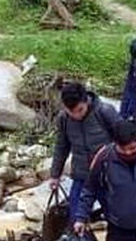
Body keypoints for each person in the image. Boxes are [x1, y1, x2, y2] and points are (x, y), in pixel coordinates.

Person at [48, 81, 119, 218]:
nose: (76, 116)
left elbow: (124, 138)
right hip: (81, 175)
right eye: (71, 112)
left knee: (116, 217)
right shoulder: (64, 119)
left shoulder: (104, 112)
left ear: (86, 100)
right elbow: (61, 146)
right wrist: (55, 175)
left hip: (108, 176)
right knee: (75, 217)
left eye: (80, 110)